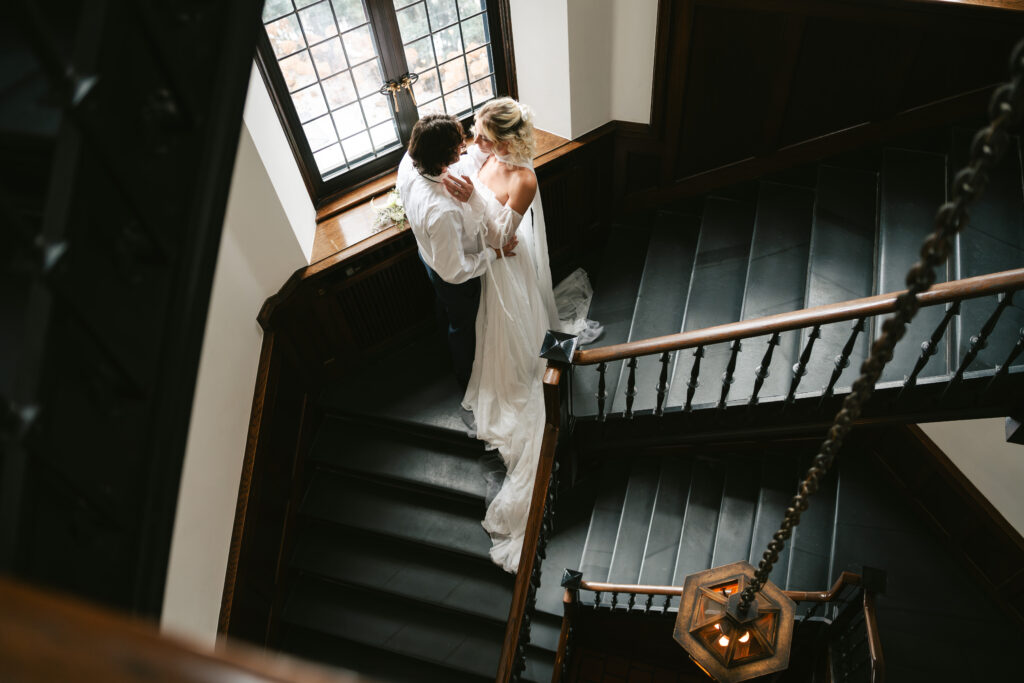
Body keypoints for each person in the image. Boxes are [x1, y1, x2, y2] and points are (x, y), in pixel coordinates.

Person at [443, 98, 601, 572]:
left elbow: (500, 237)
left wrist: (470, 201)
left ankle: (526, 379)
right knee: (493, 331)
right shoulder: (489, 156)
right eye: (478, 134)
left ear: (508, 141)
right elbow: (486, 213)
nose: (477, 143)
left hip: (508, 265)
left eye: (485, 137)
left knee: (517, 331)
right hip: (496, 260)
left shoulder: (524, 179)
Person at [396, 115, 517, 419]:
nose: (465, 145)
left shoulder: (409, 160)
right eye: (459, 144)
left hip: (428, 257)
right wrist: (494, 252)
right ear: (444, 157)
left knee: (444, 310)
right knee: (464, 328)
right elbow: (456, 271)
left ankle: (445, 333)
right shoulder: (442, 210)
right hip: (453, 276)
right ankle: (467, 379)